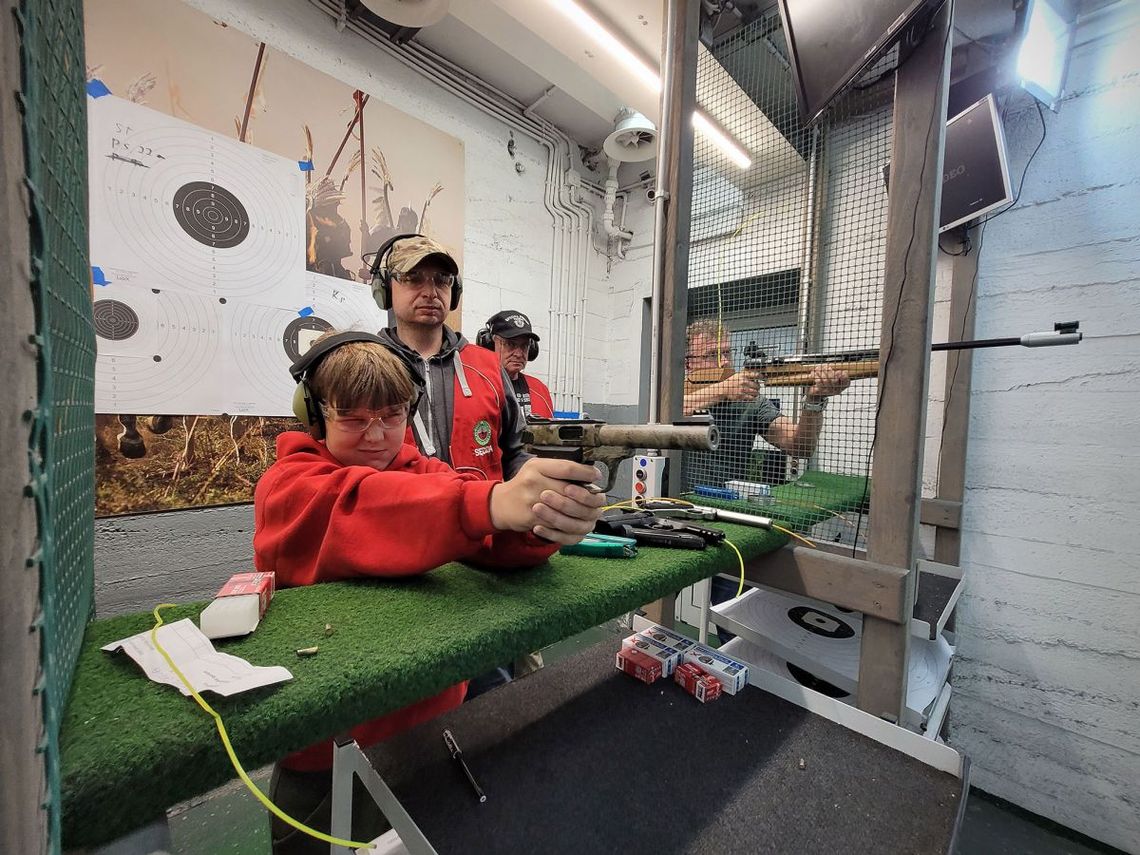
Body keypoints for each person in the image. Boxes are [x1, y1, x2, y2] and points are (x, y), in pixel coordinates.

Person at [254, 330, 605, 853]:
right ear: (314, 415)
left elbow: (479, 530)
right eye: (352, 417)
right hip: (329, 756)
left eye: (392, 414)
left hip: (436, 733)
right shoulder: (287, 484)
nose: (375, 434)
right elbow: (365, 508)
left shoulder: (425, 472)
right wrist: (486, 504)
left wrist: (541, 521)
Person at [371, 236, 547, 690]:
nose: (430, 290)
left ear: (455, 291)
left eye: (441, 279)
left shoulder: (487, 366)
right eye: (413, 278)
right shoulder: (364, 364)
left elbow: (515, 449)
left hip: (485, 557)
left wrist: (534, 493)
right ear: (384, 289)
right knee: (403, 695)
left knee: (492, 693)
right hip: (399, 561)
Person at [683, 320, 850, 634]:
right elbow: (663, 412)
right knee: (652, 609)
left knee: (735, 617)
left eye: (728, 353)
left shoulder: (749, 400)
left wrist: (814, 400)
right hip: (673, 513)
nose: (725, 362)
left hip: (727, 520)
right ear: (689, 362)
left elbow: (799, 445)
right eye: (711, 355)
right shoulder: (673, 389)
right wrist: (721, 389)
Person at [478, 309, 554, 419]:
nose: (518, 354)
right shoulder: (477, 386)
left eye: (524, 346)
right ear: (490, 345)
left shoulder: (539, 390)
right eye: (510, 344)